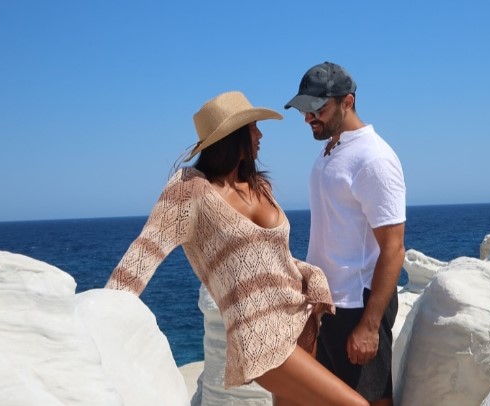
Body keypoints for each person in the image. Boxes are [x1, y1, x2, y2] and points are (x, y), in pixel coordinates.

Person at [105, 91, 369, 406]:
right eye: (253, 128)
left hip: (300, 317)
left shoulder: (260, 186)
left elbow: (271, 257)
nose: (260, 135)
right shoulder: (189, 191)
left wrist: (305, 274)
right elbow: (142, 255)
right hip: (260, 337)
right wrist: (102, 315)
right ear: (233, 137)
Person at [284, 62, 406, 406]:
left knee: (371, 401)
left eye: (317, 109)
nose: (309, 118)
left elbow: (394, 248)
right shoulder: (332, 149)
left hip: (358, 304)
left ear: (347, 102)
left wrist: (369, 325)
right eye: (305, 110)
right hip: (328, 304)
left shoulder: (373, 158)